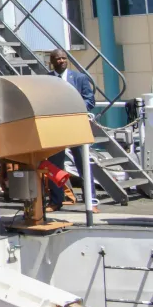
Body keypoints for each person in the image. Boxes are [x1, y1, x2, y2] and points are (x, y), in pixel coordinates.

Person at [46, 48, 97, 210]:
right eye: (57, 59)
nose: (61, 61)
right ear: (52, 62)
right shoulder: (46, 80)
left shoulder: (80, 78)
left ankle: (92, 201)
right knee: (55, 165)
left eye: (63, 58)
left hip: (76, 125)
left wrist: (76, 109)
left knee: (83, 164)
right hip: (56, 127)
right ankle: (56, 201)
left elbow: (90, 101)